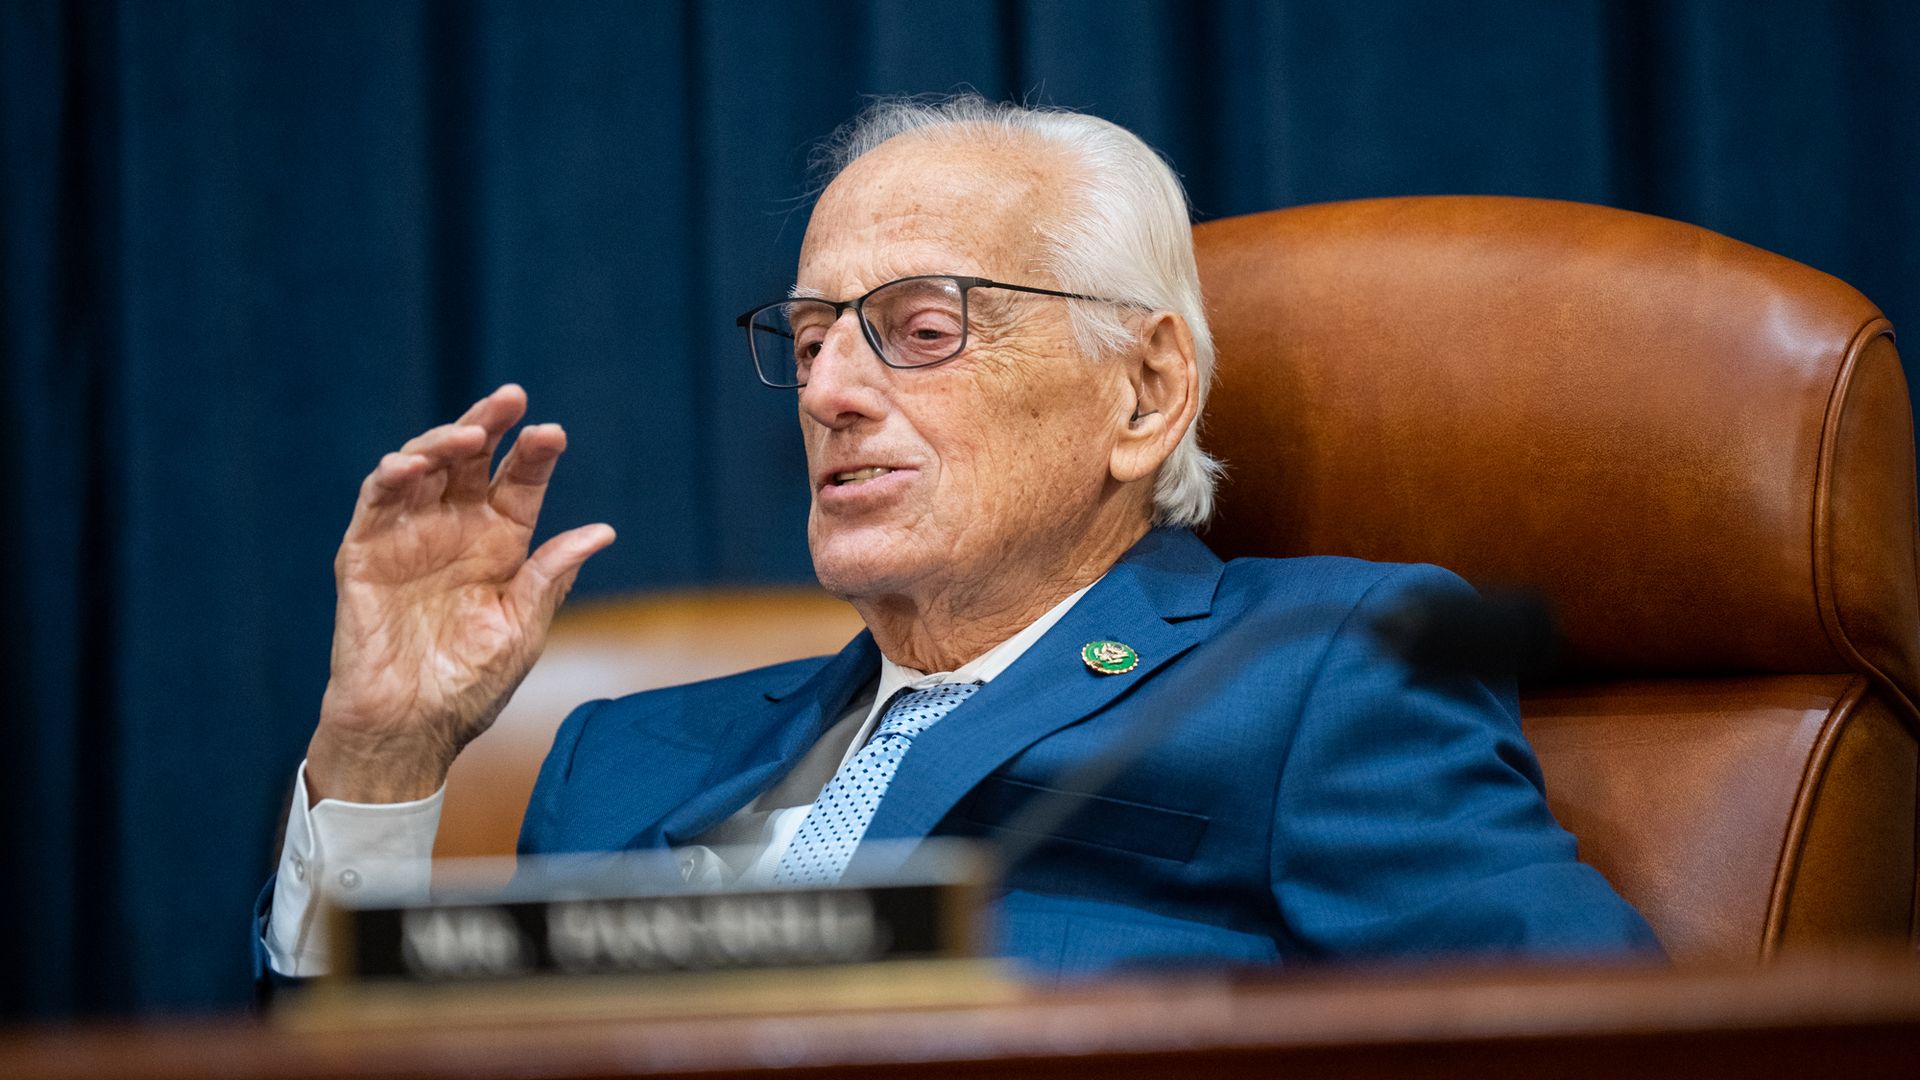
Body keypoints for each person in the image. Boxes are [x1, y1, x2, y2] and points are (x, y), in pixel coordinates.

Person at [256, 96, 1659, 982]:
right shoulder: (619, 759)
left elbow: (1601, 1044)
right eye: (809, 341)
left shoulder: (1316, 670)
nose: (828, 391)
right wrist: (382, 751)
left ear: (1146, 390)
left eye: (920, 331)